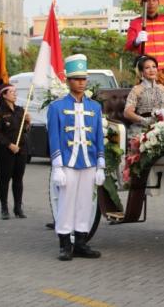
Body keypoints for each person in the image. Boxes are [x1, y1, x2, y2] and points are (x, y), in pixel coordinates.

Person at [47, 54, 106, 261]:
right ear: (68, 81)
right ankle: (64, 244)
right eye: (76, 78)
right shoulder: (56, 107)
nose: (81, 82)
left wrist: (100, 164)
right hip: (68, 164)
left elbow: (99, 135)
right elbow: (54, 138)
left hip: (89, 162)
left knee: (84, 204)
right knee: (66, 202)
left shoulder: (95, 107)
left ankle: (81, 243)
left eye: (83, 78)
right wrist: (57, 167)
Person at [0, 83, 30, 219]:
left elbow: (25, 131)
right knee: (4, 179)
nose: (15, 94)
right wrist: (9, 145)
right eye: (12, 92)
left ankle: (18, 208)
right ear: (4, 95)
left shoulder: (20, 110)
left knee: (18, 179)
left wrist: (28, 122)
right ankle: (4, 207)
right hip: (5, 151)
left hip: (21, 150)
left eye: (16, 92)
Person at [124, 55, 164, 137]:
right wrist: (144, 120)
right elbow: (127, 113)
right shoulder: (136, 90)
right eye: (147, 68)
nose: (152, 70)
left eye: (154, 67)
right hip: (142, 128)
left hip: (161, 127)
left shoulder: (163, 89)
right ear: (141, 72)